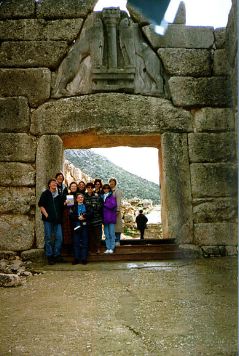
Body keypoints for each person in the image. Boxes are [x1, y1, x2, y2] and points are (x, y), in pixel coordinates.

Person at [38, 178, 65, 265]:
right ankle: (49, 256)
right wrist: (46, 215)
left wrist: (66, 202)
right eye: (53, 183)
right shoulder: (45, 194)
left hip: (57, 220)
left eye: (55, 183)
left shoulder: (59, 195)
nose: (54, 184)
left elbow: (61, 206)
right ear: (49, 185)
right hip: (48, 220)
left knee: (59, 238)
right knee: (48, 238)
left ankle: (56, 254)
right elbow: (41, 205)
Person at [69, 193, 91, 265]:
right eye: (79, 197)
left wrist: (84, 216)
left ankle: (84, 259)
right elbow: (71, 215)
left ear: (83, 198)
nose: (80, 198)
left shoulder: (87, 206)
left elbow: (91, 213)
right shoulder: (73, 207)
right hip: (76, 225)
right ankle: (76, 259)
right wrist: (77, 218)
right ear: (76, 199)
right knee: (76, 242)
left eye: (82, 197)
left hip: (85, 225)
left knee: (85, 242)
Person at [84, 182, 103, 254]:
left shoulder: (97, 196)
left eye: (91, 187)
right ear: (86, 188)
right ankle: (90, 249)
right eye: (88, 187)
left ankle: (98, 248)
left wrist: (91, 207)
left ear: (93, 188)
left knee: (97, 235)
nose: (90, 189)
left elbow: (99, 206)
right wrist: (92, 207)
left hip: (97, 219)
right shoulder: (84, 197)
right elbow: (83, 207)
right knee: (89, 235)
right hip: (88, 220)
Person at [62, 181, 79, 249]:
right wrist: (65, 203)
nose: (73, 188)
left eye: (75, 186)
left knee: (76, 231)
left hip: (77, 216)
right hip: (68, 216)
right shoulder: (67, 195)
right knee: (69, 232)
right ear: (70, 188)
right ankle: (69, 247)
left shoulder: (79, 195)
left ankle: (76, 247)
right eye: (72, 186)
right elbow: (66, 206)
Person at [102, 184, 117, 254]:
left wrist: (104, 204)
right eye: (104, 188)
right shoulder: (101, 196)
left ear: (109, 189)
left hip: (111, 218)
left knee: (112, 234)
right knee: (106, 234)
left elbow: (113, 205)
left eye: (107, 188)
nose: (106, 189)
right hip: (105, 218)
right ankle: (108, 248)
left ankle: (112, 248)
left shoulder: (111, 196)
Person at [109, 178, 123, 247]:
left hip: (115, 211)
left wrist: (117, 210)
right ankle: (113, 240)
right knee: (111, 227)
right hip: (109, 212)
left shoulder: (117, 191)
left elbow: (118, 201)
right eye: (110, 182)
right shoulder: (109, 191)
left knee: (117, 226)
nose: (111, 183)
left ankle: (117, 241)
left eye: (112, 182)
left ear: (115, 183)